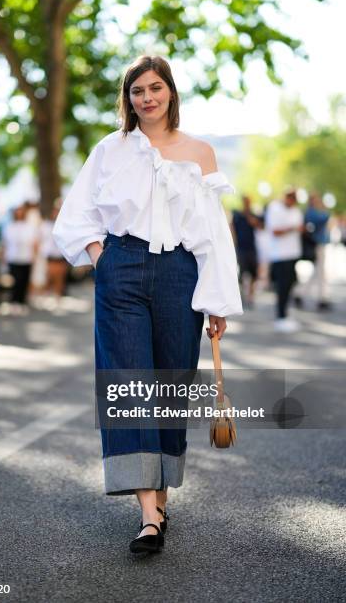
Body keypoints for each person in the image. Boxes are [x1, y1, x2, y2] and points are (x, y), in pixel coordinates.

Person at [53, 55, 242, 554]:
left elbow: (212, 236)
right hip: (123, 271)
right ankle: (149, 516)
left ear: (171, 92)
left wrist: (217, 300)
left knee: (171, 383)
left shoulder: (199, 153)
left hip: (180, 274)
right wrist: (102, 258)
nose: (147, 98)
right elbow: (76, 215)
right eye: (137, 91)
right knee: (129, 381)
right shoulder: (110, 150)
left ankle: (160, 494)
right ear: (128, 98)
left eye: (155, 88)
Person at [265, 190, 303, 332]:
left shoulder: (296, 211)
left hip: (292, 254)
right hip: (280, 255)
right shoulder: (275, 208)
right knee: (282, 287)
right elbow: (275, 231)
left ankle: (285, 314)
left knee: (290, 284)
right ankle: (280, 316)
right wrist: (292, 228)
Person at [294, 193, 332, 311]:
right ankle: (320, 297)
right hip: (317, 245)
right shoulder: (312, 212)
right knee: (320, 272)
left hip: (319, 244)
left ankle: (303, 293)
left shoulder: (312, 211)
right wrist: (324, 208)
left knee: (319, 273)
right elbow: (324, 218)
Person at [2, 204, 39, 312]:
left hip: (26, 258)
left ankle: (22, 301)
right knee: (14, 281)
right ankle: (14, 301)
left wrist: (34, 256)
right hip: (13, 257)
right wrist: (4, 257)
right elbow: (5, 243)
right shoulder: (9, 227)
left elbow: (34, 243)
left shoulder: (29, 227)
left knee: (24, 280)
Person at [231, 195, 263, 307]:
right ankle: (242, 295)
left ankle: (250, 296)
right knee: (242, 273)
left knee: (253, 273)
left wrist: (250, 217)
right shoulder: (237, 215)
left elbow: (260, 226)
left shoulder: (253, 215)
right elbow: (232, 228)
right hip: (241, 247)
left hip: (251, 247)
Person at [40, 200, 68, 306]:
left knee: (60, 276)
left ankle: (58, 295)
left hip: (60, 254)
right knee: (49, 275)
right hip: (50, 254)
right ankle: (48, 294)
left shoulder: (65, 225)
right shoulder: (46, 225)